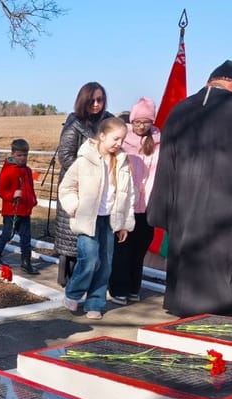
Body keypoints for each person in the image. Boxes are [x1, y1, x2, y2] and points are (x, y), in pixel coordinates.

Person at [148, 60, 232, 317]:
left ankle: (185, 321)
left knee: (187, 271)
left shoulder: (180, 110)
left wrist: (160, 211)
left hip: (185, 211)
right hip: (225, 213)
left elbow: (165, 167)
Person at [59, 117, 135, 320]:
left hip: (109, 220)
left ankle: (95, 302)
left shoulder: (122, 162)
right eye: (115, 138)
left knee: (106, 263)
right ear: (102, 136)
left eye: (122, 139)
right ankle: (73, 292)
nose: (119, 143)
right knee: (90, 259)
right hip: (87, 219)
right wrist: (75, 207)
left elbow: (129, 195)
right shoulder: (85, 160)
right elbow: (66, 187)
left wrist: (125, 224)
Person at [55, 82, 114, 286]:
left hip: (103, 190)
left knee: (97, 238)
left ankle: (92, 282)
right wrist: (88, 174)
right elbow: (65, 155)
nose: (97, 104)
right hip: (78, 188)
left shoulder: (109, 122)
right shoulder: (75, 124)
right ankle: (70, 282)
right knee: (74, 240)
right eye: (92, 100)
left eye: (100, 100)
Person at [108, 97, 160, 305]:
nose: (141, 126)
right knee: (122, 247)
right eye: (137, 122)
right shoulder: (124, 139)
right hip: (125, 202)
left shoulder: (158, 141)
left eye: (145, 122)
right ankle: (118, 288)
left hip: (147, 204)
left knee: (139, 249)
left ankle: (133, 287)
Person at [0, 139, 40, 274]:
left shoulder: (28, 171)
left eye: (25, 155)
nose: (22, 158)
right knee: (8, 233)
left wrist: (33, 199)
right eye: (19, 155)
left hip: (25, 210)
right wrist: (12, 195)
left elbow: (30, 187)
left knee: (26, 237)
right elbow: (0, 190)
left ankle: (26, 261)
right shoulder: (9, 171)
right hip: (12, 210)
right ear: (13, 154)